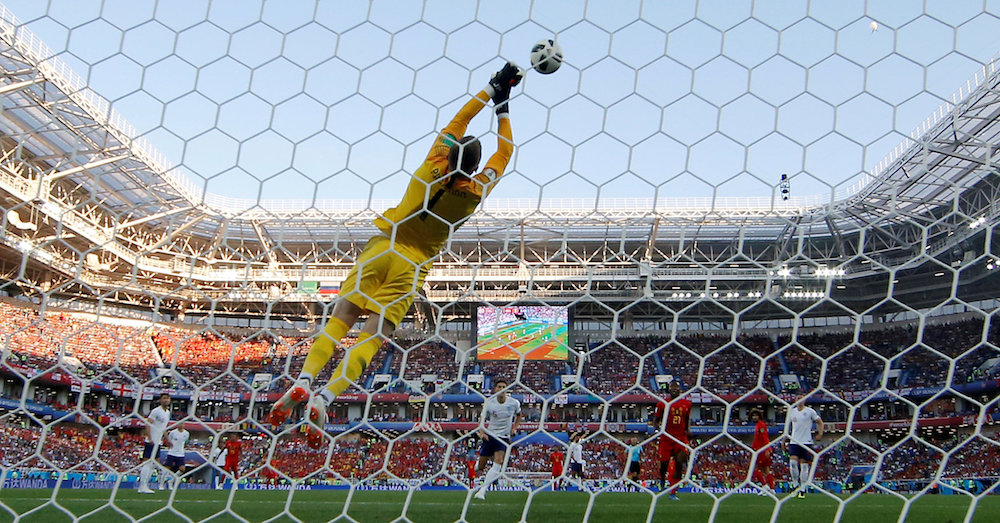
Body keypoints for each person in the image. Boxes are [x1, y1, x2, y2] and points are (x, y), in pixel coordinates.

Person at [267, 62, 525, 447]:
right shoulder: (474, 193)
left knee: (340, 321)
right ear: (473, 170)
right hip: (412, 267)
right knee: (371, 339)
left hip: (382, 247)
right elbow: (505, 153)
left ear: (450, 154)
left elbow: (459, 120)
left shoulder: (432, 163)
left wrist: (492, 88)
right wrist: (504, 109)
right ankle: (326, 397)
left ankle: (304, 380)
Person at [473, 378, 521, 500]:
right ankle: (478, 464)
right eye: (499, 387)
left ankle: (482, 491)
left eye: (504, 387)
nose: (501, 389)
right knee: (480, 467)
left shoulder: (514, 403)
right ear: (495, 389)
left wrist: (515, 428)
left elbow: (519, 415)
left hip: (503, 438)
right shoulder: (489, 403)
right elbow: (482, 419)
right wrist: (482, 432)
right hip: (490, 436)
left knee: (498, 461)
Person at [652, 381, 691, 500]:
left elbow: (687, 419)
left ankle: (673, 492)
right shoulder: (662, 404)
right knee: (664, 464)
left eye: (676, 387)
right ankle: (662, 480)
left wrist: (687, 430)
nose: (674, 389)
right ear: (669, 389)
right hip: (666, 438)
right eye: (672, 387)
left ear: (680, 389)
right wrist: (657, 429)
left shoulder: (687, 404)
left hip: (680, 438)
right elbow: (656, 419)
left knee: (679, 464)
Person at [785, 392, 824, 499]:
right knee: (792, 463)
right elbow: (788, 427)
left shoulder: (810, 411)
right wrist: (784, 440)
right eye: (798, 398)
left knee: (804, 466)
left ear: (805, 400)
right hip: (794, 441)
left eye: (802, 398)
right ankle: (795, 485)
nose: (800, 400)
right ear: (795, 400)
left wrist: (820, 433)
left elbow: (820, 422)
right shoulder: (792, 412)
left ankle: (802, 489)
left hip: (806, 442)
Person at [138, 393, 171, 494]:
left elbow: (164, 428)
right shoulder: (156, 411)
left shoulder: (167, 413)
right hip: (151, 441)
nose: (166, 400)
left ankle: (145, 485)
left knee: (154, 464)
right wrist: (149, 437)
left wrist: (168, 439)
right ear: (160, 400)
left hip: (158, 441)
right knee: (148, 463)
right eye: (164, 398)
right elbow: (148, 423)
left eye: (167, 398)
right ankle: (142, 486)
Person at [750, 409, 775, 496]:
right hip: (759, 449)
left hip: (761, 450)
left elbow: (765, 437)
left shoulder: (761, 425)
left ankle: (765, 486)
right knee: (766, 470)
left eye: (756, 415)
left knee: (756, 469)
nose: (754, 417)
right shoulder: (758, 425)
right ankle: (772, 489)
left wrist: (767, 449)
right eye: (753, 416)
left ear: (759, 416)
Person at [164, 424, 189, 490]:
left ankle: (171, 481)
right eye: (180, 424)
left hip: (180, 454)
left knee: (182, 469)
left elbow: (185, 442)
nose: (181, 425)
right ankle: (161, 484)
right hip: (172, 453)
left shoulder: (186, 433)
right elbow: (168, 441)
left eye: (182, 424)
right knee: (167, 468)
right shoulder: (173, 432)